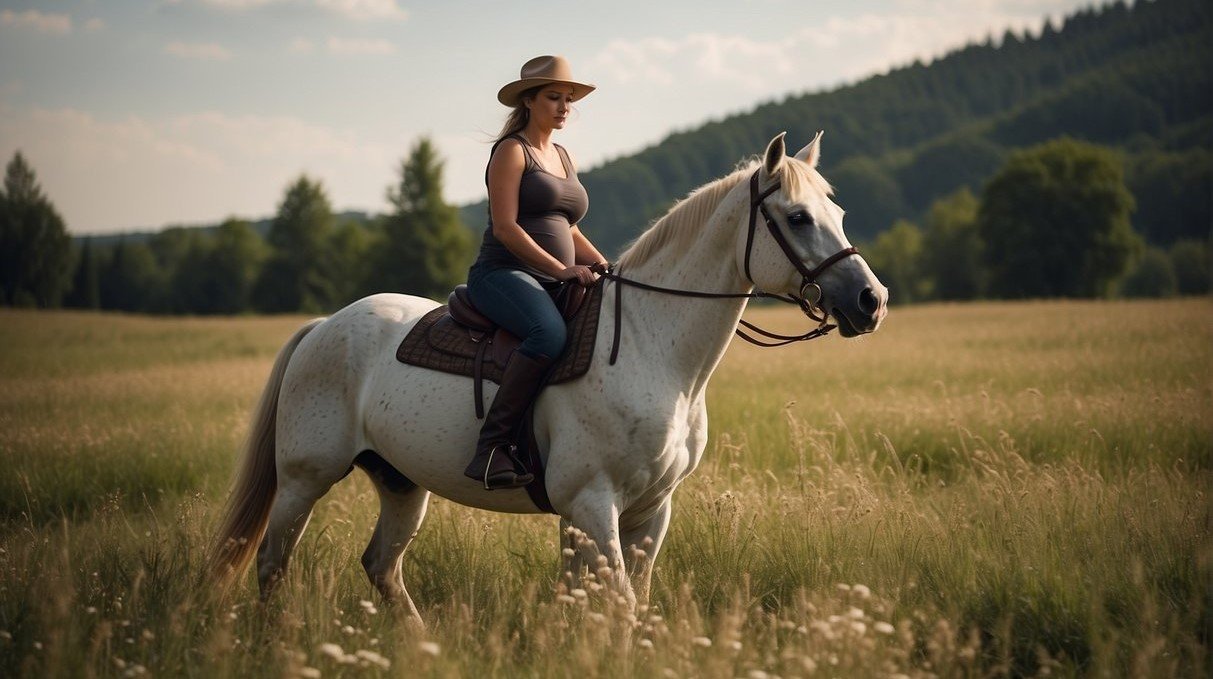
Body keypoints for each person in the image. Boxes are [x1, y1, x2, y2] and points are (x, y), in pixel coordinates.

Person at [463, 55, 608, 490]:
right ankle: (491, 448)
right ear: (528, 101)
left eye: (569, 99)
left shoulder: (563, 155)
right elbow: (506, 228)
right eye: (553, 97)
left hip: (553, 276)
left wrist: (605, 266)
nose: (564, 106)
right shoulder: (512, 150)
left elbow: (571, 227)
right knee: (549, 335)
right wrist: (563, 270)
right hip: (503, 273)